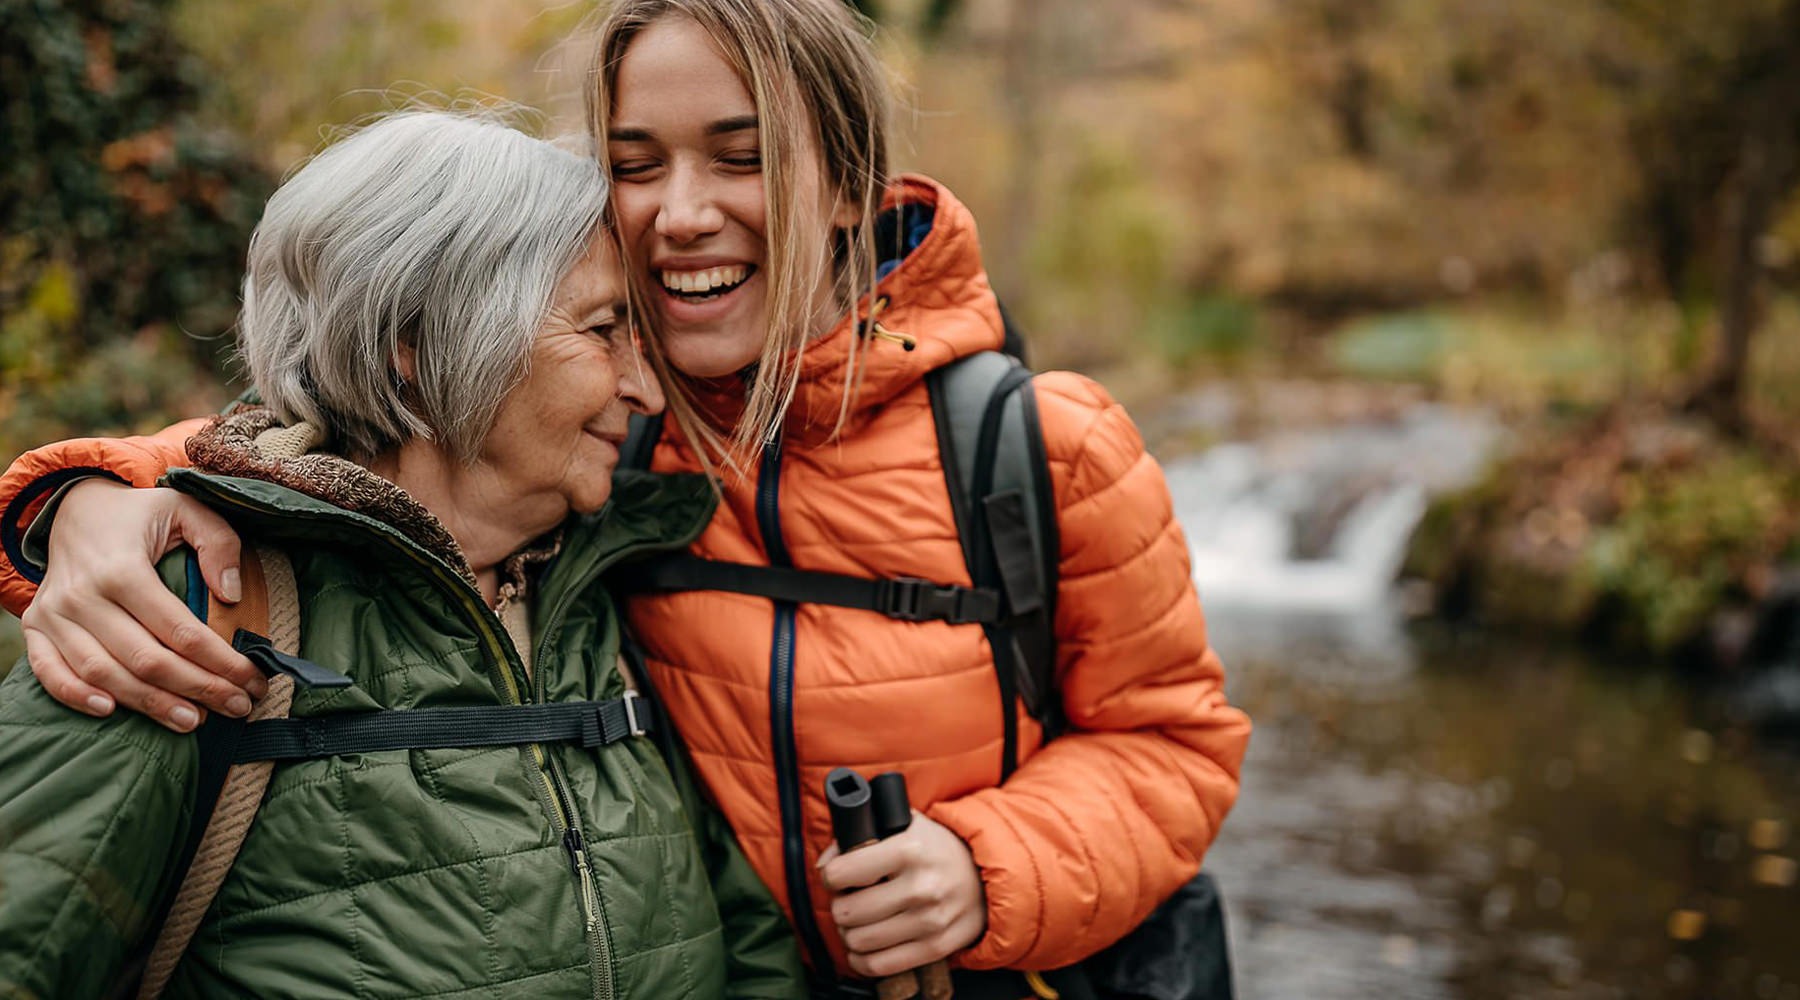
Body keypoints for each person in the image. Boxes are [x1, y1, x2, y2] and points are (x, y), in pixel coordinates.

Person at [0, 0, 1253, 993]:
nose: (682, 214)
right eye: (634, 163)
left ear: (850, 178)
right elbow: (337, 442)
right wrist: (90, 497)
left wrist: (993, 866)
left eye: (744, 157)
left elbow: (1177, 746)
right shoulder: (597, 440)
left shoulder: (1038, 443)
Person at [0, 109, 804, 999]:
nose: (645, 387)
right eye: (603, 330)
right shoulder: (185, 619)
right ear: (418, 343)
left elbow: (749, 952)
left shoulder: (599, 614)